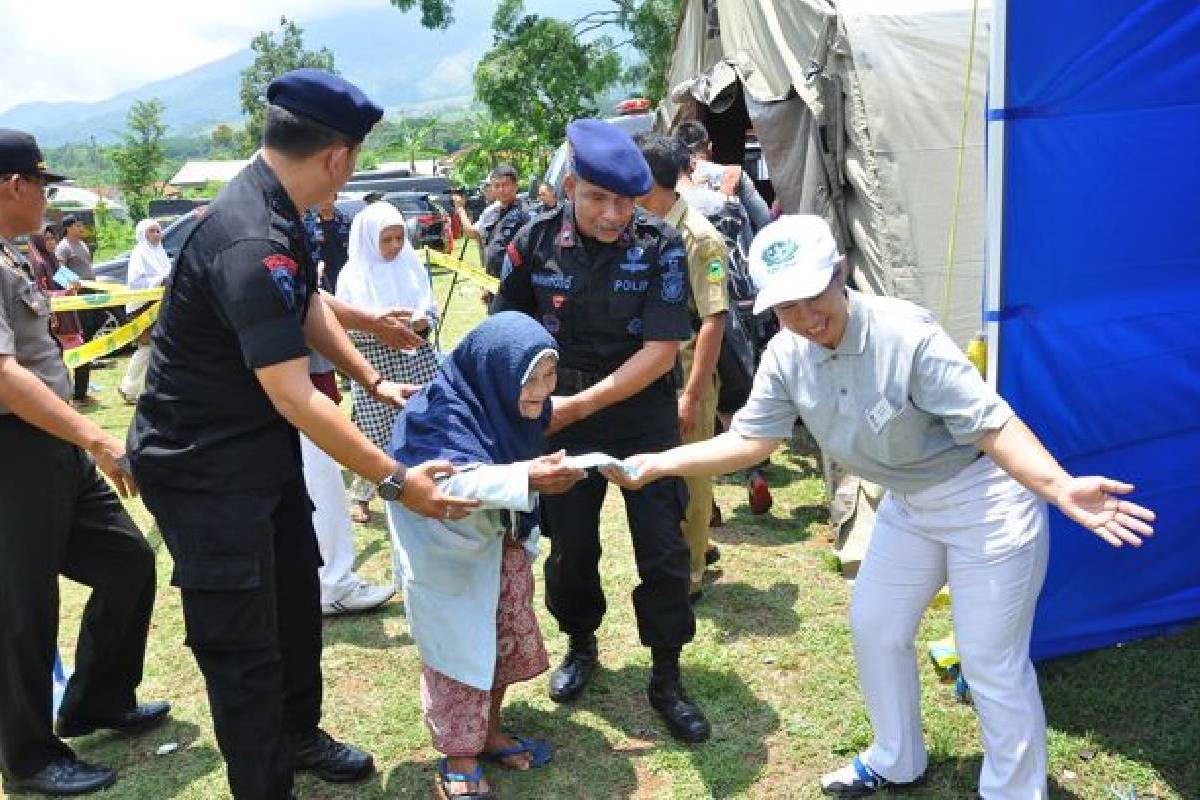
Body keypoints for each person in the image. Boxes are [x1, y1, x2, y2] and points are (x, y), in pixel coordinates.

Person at [603, 215, 1157, 798]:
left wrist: (1059, 486)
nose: (806, 318)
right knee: (876, 625)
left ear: (840, 273)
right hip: (910, 504)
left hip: (984, 498)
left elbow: (992, 425)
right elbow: (752, 441)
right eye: (787, 307)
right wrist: (659, 462)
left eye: (815, 296)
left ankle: (1014, 790)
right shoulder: (787, 353)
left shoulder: (905, 334)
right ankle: (897, 758)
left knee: (989, 658)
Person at [128, 70, 480, 800]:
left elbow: (309, 300)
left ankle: (298, 734)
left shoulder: (283, 212)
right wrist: (395, 479)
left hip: (255, 451)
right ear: (337, 157)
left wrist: (371, 378)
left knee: (294, 602)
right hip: (202, 470)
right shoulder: (249, 237)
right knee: (243, 646)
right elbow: (292, 393)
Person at [492, 118, 711, 743]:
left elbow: (661, 351)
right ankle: (580, 643)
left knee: (664, 549)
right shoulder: (532, 243)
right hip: (555, 411)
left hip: (637, 409)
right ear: (570, 186)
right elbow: (503, 333)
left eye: (626, 200)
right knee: (571, 548)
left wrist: (577, 406)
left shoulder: (660, 245)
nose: (615, 214)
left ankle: (667, 672)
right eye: (599, 198)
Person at [0, 128, 167, 796]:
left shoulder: (16, 253)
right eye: (43, 185)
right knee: (23, 607)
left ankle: (97, 699)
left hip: (52, 446)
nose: (48, 197)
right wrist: (96, 437)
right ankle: (30, 756)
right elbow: (6, 378)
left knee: (129, 561)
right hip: (14, 451)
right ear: (13, 186)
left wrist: (76, 441)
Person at [388, 311, 586, 800]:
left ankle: (490, 732)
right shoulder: (435, 414)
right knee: (457, 656)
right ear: (494, 369)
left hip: (500, 547)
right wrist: (525, 478)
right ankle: (459, 754)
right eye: (529, 377)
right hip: (447, 558)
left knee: (500, 643)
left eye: (549, 374)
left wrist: (531, 474)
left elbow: (511, 463)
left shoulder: (506, 405)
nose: (541, 390)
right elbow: (440, 483)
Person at [634, 133, 728, 601]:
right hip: (651, 369)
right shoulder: (639, 226)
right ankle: (699, 545)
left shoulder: (700, 238)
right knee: (665, 470)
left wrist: (691, 394)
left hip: (687, 370)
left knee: (692, 472)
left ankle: (689, 571)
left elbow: (714, 319)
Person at [336, 201, 441, 524]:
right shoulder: (353, 275)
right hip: (376, 367)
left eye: (399, 238)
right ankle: (363, 496)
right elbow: (343, 329)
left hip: (419, 359)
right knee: (374, 432)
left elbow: (431, 310)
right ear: (369, 240)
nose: (395, 246)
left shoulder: (411, 266)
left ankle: (427, 482)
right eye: (387, 240)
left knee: (426, 419)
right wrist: (380, 330)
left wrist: (421, 323)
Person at [453, 164, 531, 306]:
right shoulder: (492, 213)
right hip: (494, 285)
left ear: (515, 186)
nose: (501, 190)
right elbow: (476, 236)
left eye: (505, 185)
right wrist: (486, 283)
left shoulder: (525, 214)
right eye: (497, 186)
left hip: (517, 288)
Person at [117, 219, 171, 403]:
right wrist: (159, 280)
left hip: (158, 305)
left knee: (155, 347)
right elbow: (135, 282)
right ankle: (129, 388)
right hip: (142, 307)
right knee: (147, 346)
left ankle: (142, 388)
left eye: (158, 231)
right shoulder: (139, 254)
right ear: (143, 234)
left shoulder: (160, 252)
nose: (156, 234)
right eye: (152, 231)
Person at [53, 215, 100, 402]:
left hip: (91, 292)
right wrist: (72, 287)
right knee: (82, 339)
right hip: (77, 298)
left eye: (82, 225)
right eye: (78, 225)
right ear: (68, 228)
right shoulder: (63, 247)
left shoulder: (82, 244)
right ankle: (78, 392)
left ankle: (82, 389)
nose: (81, 228)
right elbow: (59, 271)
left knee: (95, 328)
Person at [302, 190, 352, 291]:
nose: (325, 200)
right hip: (321, 276)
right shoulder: (309, 224)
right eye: (322, 196)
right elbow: (306, 252)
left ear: (335, 198)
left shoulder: (345, 222)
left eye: (329, 196)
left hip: (343, 273)